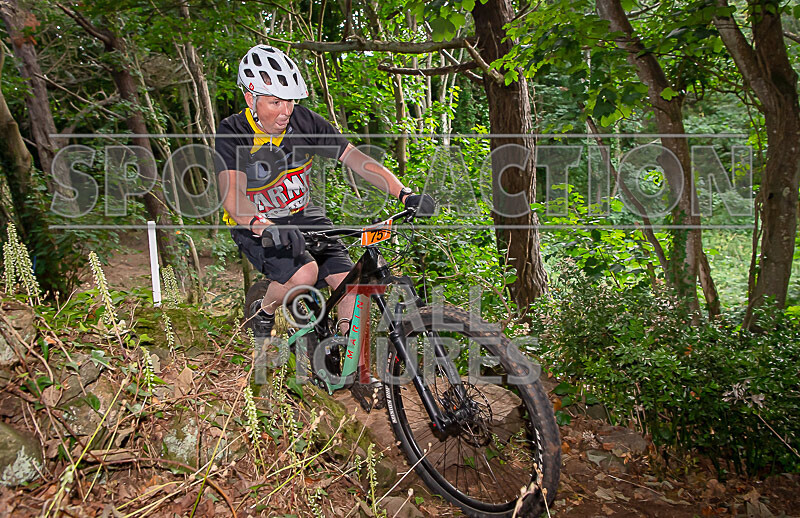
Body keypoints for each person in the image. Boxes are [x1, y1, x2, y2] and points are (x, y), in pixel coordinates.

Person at [215, 44, 434, 340]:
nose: (285, 111)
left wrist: (404, 194)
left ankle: (350, 366)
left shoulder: (303, 121)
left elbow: (355, 158)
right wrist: (262, 226)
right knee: (305, 274)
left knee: (353, 286)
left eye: (290, 101)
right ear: (250, 98)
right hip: (255, 223)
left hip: (303, 215)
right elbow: (232, 197)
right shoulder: (233, 131)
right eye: (275, 102)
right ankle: (263, 310)